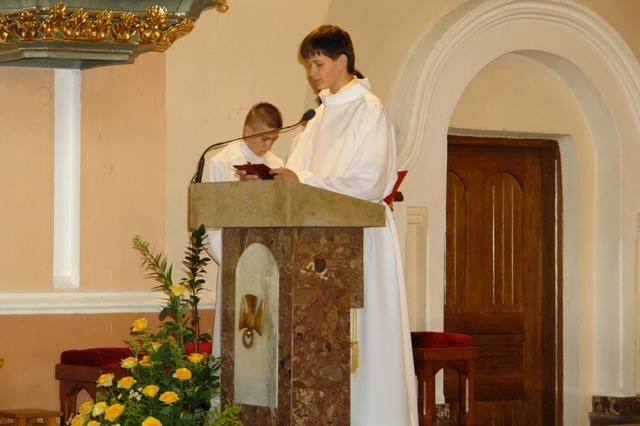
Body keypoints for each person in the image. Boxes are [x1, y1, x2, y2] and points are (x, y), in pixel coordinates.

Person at [269, 24, 419, 425]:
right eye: (308, 65)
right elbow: (294, 178)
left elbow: (369, 181)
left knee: (365, 340)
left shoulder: (369, 109)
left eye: (318, 64)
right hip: (314, 245)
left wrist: (304, 181)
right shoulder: (317, 117)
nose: (312, 73)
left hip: (361, 239)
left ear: (342, 61)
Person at [202, 102, 284, 358]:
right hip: (235, 258)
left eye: (273, 140)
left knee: (264, 339)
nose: (268, 146)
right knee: (237, 337)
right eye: (264, 138)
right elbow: (210, 223)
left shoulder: (277, 163)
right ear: (247, 130)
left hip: (269, 260)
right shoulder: (220, 162)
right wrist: (234, 261)